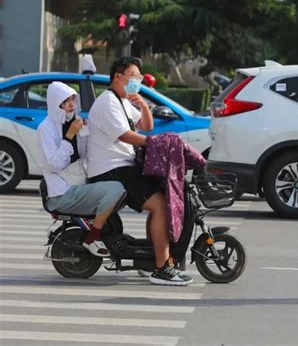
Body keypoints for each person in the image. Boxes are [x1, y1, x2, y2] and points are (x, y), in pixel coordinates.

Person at [86, 56, 193, 286]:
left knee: (160, 201)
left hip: (124, 166)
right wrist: (156, 144)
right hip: (111, 170)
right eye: (133, 76)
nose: (137, 81)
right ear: (118, 77)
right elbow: (125, 135)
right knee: (160, 206)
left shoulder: (123, 100)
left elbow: (147, 126)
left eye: (139, 77)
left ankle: (152, 259)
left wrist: (143, 105)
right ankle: (162, 267)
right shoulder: (108, 102)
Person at [38, 82, 126, 257]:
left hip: (78, 185)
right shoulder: (45, 128)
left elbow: (85, 154)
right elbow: (53, 164)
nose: (71, 104)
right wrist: (69, 135)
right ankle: (91, 237)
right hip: (62, 193)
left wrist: (83, 134)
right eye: (66, 100)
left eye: (73, 99)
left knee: (119, 186)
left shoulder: (75, 122)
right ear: (56, 103)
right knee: (117, 189)